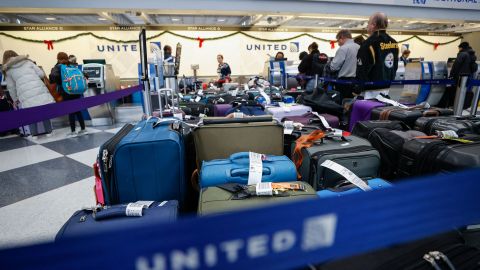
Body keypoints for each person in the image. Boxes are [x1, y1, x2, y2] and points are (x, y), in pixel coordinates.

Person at [2, 50, 54, 137]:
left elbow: (11, 88)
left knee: (30, 113)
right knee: (43, 110)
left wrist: (15, 100)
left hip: (25, 93)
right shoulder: (28, 62)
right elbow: (41, 74)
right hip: (38, 89)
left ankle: (34, 135)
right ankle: (49, 132)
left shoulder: (8, 70)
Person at [356, 12, 399, 99]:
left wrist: (358, 88)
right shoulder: (394, 42)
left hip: (370, 90)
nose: (367, 26)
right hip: (387, 88)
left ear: (373, 24)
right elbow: (395, 66)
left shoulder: (369, 43)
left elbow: (362, 69)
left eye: (368, 23)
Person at [50, 52, 87, 137]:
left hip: (67, 91)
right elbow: (84, 74)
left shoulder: (58, 66)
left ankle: (73, 131)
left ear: (58, 59)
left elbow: (53, 77)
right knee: (78, 110)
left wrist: (60, 80)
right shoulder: (72, 65)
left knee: (71, 111)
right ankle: (83, 129)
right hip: (76, 90)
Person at [438, 42, 478, 108]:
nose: (458, 49)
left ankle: (454, 105)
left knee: (455, 90)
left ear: (461, 47)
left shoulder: (462, 54)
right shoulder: (472, 54)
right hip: (468, 76)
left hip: (459, 76)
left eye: (459, 48)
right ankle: (461, 105)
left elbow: (456, 65)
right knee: (463, 91)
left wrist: (451, 74)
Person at [326, 29, 360, 99]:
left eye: (338, 41)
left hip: (344, 82)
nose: (338, 44)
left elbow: (333, 67)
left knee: (343, 104)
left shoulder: (343, 48)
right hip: (357, 82)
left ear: (341, 37)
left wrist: (329, 63)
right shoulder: (359, 47)